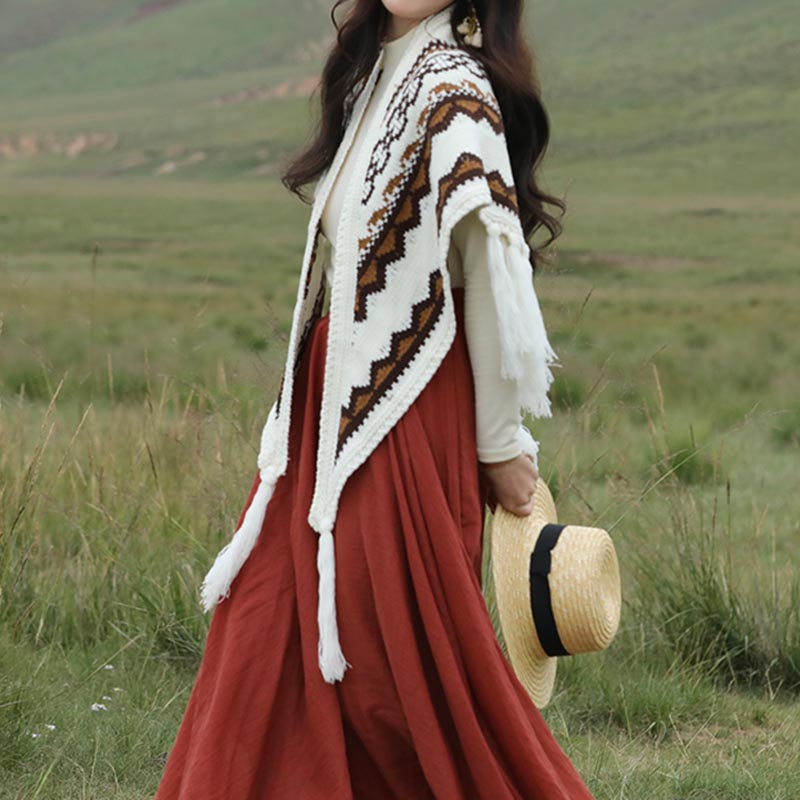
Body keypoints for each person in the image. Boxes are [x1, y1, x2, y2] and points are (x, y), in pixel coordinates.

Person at [155, 1, 595, 797]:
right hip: (327, 402)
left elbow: (488, 277)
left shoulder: (455, 89)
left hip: (407, 404)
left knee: (390, 655)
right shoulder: (371, 75)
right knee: (268, 619)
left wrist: (499, 446)